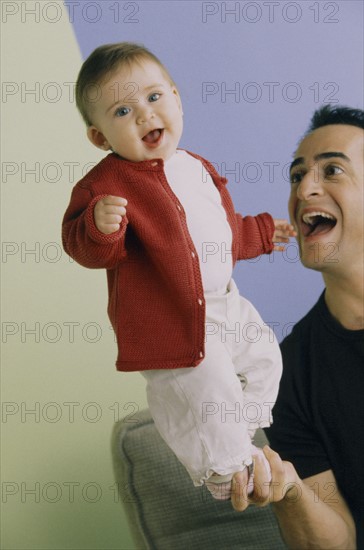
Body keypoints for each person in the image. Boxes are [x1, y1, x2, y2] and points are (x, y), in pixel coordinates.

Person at [62, 42, 295, 500]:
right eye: (123, 110)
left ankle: (235, 435)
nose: (146, 115)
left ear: (176, 97)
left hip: (225, 301)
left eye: (154, 98)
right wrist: (98, 226)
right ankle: (225, 469)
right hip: (171, 318)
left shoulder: (197, 168)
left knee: (267, 356)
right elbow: (82, 247)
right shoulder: (105, 185)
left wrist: (264, 232)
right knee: (209, 380)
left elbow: (224, 231)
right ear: (100, 137)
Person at [231, 105, 364, 549]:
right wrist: (291, 493)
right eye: (296, 175)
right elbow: (338, 540)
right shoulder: (285, 374)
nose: (306, 189)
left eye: (332, 170)